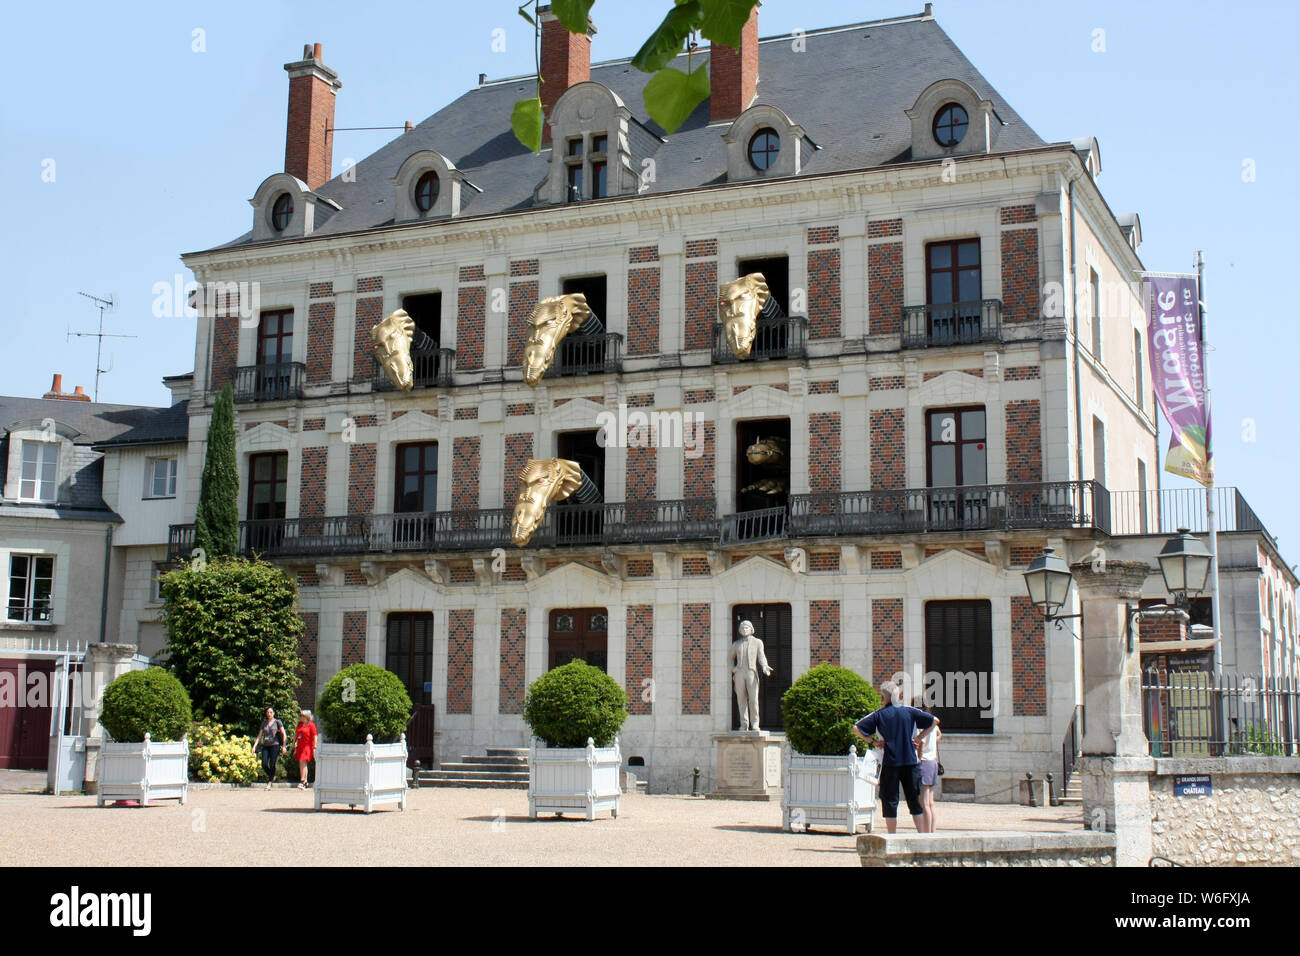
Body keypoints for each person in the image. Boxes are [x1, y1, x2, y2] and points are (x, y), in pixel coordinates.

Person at [851, 680, 938, 834]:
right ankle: (921, 836)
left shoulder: (878, 714)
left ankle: (892, 836)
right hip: (910, 761)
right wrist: (919, 738)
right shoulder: (909, 711)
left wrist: (873, 741)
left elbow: (856, 728)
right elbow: (934, 721)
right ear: (899, 696)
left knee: (890, 801)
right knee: (914, 801)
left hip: (890, 762)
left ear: (883, 698)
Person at [729, 620, 773, 731]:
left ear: (751, 629)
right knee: (741, 699)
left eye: (747, 627)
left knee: (753, 699)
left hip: (751, 672)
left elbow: (761, 656)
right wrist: (733, 669)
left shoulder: (757, 642)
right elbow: (730, 658)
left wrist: (765, 666)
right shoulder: (736, 644)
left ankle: (755, 723)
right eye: (742, 628)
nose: (745, 629)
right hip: (739, 673)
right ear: (739, 630)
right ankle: (743, 724)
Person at [912, 695, 942, 833]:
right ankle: (932, 831)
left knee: (924, 803)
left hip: (924, 762)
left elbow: (920, 745)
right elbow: (939, 735)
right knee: (930, 802)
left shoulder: (919, 724)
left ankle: (926, 832)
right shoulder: (932, 723)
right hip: (933, 761)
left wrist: (918, 755)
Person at [253, 707, 287, 790]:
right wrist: (254, 746)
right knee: (264, 764)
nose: (269, 714)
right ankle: (272, 775)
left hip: (275, 745)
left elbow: (284, 734)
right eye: (268, 712)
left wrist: (284, 746)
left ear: (273, 713)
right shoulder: (264, 723)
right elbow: (259, 735)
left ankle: (270, 782)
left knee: (272, 764)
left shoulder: (277, 722)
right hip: (266, 745)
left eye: (271, 712)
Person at [294, 709, 318, 790]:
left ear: (306, 717)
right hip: (300, 746)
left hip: (307, 746)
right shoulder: (300, 724)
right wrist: (293, 744)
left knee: (302, 761)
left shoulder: (311, 725)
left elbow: (315, 736)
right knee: (302, 763)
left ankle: (302, 780)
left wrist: (314, 747)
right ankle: (305, 782)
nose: (300, 717)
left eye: (302, 716)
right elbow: (296, 734)